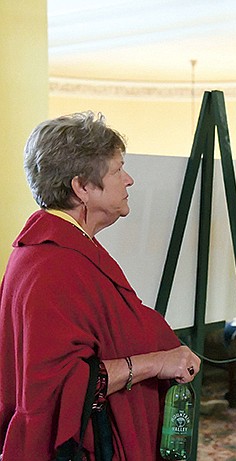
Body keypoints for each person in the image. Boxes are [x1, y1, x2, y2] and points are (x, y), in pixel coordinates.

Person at [0, 112, 201, 460]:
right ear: (82, 188)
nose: (129, 180)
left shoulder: (69, 246)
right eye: (117, 170)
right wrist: (157, 363)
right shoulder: (52, 265)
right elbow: (63, 388)